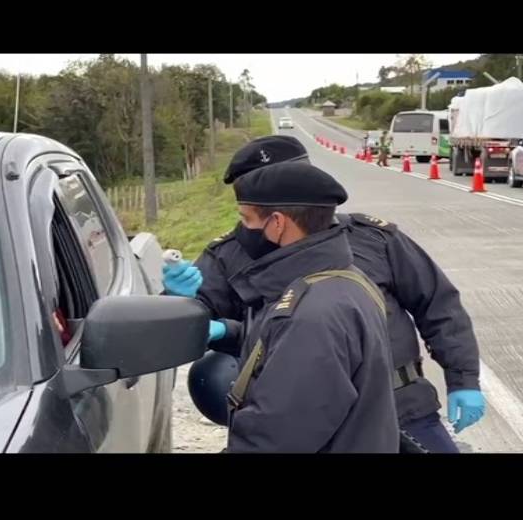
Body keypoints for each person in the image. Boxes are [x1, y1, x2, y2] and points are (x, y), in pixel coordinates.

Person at [166, 134, 485, 453]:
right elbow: (181, 325)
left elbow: (438, 305)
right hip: (303, 417)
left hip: (404, 406)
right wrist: (176, 298)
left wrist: (463, 379)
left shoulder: (373, 239)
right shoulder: (229, 255)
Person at [222, 161, 399, 452]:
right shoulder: (346, 279)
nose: (242, 230)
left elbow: (277, 437)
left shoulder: (313, 313)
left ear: (278, 223)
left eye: (247, 220)